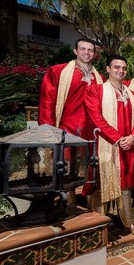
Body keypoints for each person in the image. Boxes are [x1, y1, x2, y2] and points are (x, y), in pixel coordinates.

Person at [84, 54, 134, 236]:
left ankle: (128, 224)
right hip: (106, 146)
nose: (121, 71)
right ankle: (96, 227)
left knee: (126, 186)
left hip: (127, 146)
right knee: (101, 185)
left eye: (124, 68)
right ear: (108, 69)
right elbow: (96, 119)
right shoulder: (95, 91)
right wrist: (118, 138)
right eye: (117, 67)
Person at [38, 37, 103, 205]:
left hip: (92, 133)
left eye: (90, 50)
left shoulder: (99, 78)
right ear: (75, 51)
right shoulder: (58, 71)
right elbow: (47, 103)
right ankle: (68, 211)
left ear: (94, 54)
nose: (86, 52)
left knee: (92, 173)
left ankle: (90, 216)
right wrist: (48, 132)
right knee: (66, 173)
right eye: (83, 49)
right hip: (66, 130)